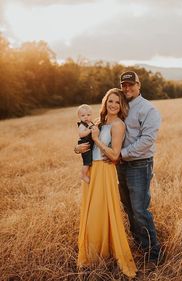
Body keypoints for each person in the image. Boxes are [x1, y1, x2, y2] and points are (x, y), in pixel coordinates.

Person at [77, 88, 137, 278]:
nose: (113, 105)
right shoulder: (98, 121)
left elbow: (115, 155)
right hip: (93, 171)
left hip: (105, 171)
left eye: (117, 102)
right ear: (105, 102)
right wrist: (76, 147)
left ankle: (106, 252)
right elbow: (84, 142)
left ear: (121, 106)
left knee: (102, 210)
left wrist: (97, 140)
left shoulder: (118, 125)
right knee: (91, 211)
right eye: (110, 101)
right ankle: (94, 254)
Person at [117, 71, 163, 266]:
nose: (127, 88)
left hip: (139, 164)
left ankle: (154, 254)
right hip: (120, 165)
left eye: (131, 85)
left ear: (139, 85)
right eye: (124, 85)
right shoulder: (120, 106)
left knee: (139, 210)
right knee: (128, 208)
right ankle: (140, 246)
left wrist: (123, 154)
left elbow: (147, 140)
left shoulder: (148, 109)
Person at [77, 104, 94, 183]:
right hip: (85, 144)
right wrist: (89, 131)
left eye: (88, 115)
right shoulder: (82, 125)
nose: (86, 117)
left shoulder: (90, 123)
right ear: (79, 117)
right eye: (83, 115)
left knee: (90, 160)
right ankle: (83, 175)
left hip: (89, 144)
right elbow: (81, 134)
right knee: (87, 161)